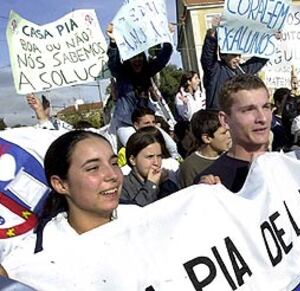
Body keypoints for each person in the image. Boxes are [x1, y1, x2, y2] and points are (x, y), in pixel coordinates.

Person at [0, 130, 125, 275]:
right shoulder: (29, 263)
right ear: (60, 184)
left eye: (114, 163)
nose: (112, 175)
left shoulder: (143, 216)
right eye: (92, 168)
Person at [194, 74, 272, 192]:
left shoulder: (288, 168)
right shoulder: (210, 183)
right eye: (248, 110)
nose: (262, 118)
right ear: (225, 120)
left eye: (266, 107)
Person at [106, 23, 173, 137]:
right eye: (133, 57)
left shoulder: (147, 71)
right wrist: (113, 43)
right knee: (136, 146)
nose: (137, 60)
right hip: (125, 121)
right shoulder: (122, 74)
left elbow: (162, 59)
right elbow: (113, 63)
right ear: (128, 60)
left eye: (140, 56)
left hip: (145, 120)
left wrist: (168, 37)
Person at [200, 17, 270, 110]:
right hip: (217, 118)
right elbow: (207, 56)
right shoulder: (215, 70)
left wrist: (271, 41)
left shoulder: (242, 71)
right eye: (234, 55)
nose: (238, 59)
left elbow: (259, 60)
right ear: (223, 55)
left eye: (239, 55)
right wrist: (212, 35)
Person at [122, 127, 178, 206]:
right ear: (133, 160)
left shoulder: (166, 181)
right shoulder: (122, 187)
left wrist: (165, 185)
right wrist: (151, 185)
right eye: (149, 157)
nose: (156, 162)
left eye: (159, 156)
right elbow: (135, 212)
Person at [178, 110, 231, 188]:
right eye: (224, 133)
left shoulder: (231, 155)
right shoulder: (190, 166)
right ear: (207, 138)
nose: (229, 135)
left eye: (229, 131)